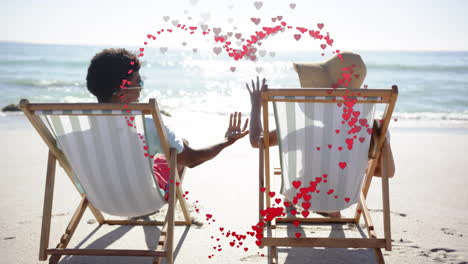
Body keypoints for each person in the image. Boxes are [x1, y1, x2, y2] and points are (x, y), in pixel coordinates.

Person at [86, 48, 249, 200]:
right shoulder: (148, 127)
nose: (141, 88)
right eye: (139, 83)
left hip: (100, 198)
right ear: (122, 92)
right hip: (143, 200)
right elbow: (192, 159)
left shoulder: (76, 131)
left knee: (161, 157)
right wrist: (227, 142)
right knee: (178, 147)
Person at [246, 52, 395, 217]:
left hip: (304, 196)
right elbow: (387, 172)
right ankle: (330, 207)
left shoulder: (307, 131)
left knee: (298, 184)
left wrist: (256, 105)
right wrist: (357, 165)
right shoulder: (373, 128)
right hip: (343, 198)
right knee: (334, 176)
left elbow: (256, 141)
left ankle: (297, 200)